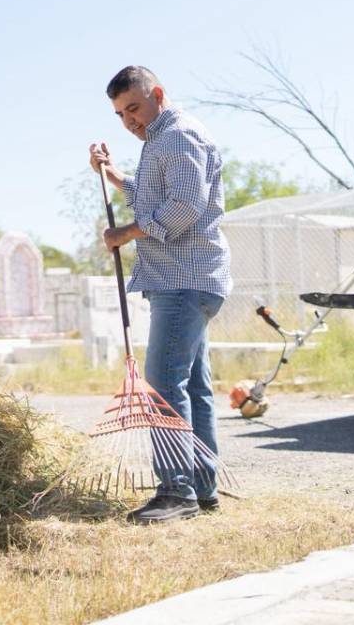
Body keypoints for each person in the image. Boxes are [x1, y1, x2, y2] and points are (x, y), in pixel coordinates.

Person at [89, 65, 232, 524]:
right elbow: (158, 198)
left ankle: (176, 492)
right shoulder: (163, 141)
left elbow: (186, 207)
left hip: (183, 280)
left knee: (165, 387)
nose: (129, 120)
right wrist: (114, 177)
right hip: (190, 279)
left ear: (158, 95)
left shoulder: (177, 136)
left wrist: (126, 233)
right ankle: (202, 488)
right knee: (193, 385)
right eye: (120, 114)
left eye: (134, 107)